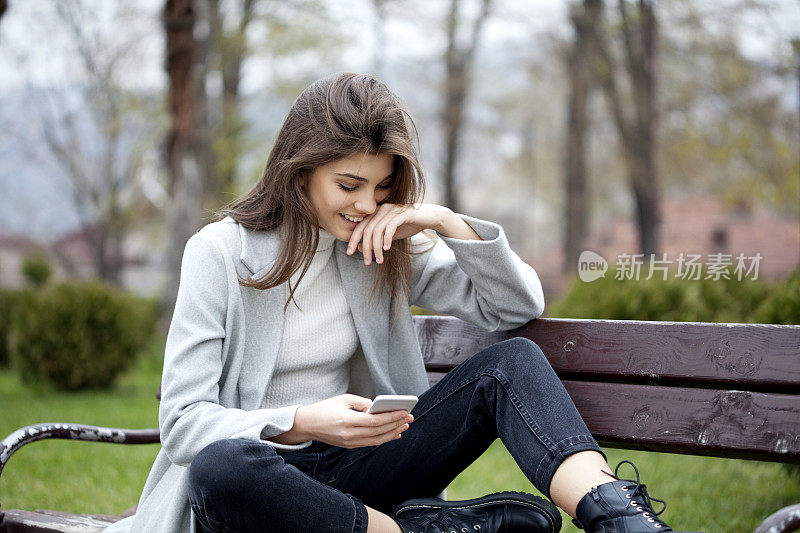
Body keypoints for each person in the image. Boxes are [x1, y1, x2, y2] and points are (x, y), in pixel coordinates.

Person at [105, 72, 683, 533]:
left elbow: (515, 306)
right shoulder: (220, 253)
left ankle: (620, 519)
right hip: (262, 495)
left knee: (512, 364)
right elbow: (182, 424)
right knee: (222, 464)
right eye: (348, 185)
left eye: (383, 187)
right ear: (299, 172)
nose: (366, 204)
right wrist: (304, 421)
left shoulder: (384, 245)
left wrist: (444, 222)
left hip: (361, 474)